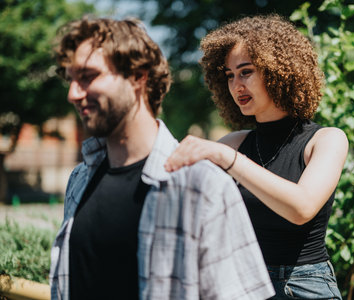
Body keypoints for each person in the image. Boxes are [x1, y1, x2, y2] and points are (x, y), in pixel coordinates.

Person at [49, 17, 275, 300]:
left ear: (138, 77)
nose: (73, 93)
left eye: (88, 76)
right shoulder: (79, 181)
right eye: (71, 79)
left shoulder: (201, 186)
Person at [165, 15, 348, 299]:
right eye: (229, 75)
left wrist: (228, 159)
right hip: (245, 283)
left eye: (246, 71)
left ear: (278, 71)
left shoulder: (327, 139)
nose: (236, 85)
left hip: (304, 286)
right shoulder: (234, 144)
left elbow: (301, 208)